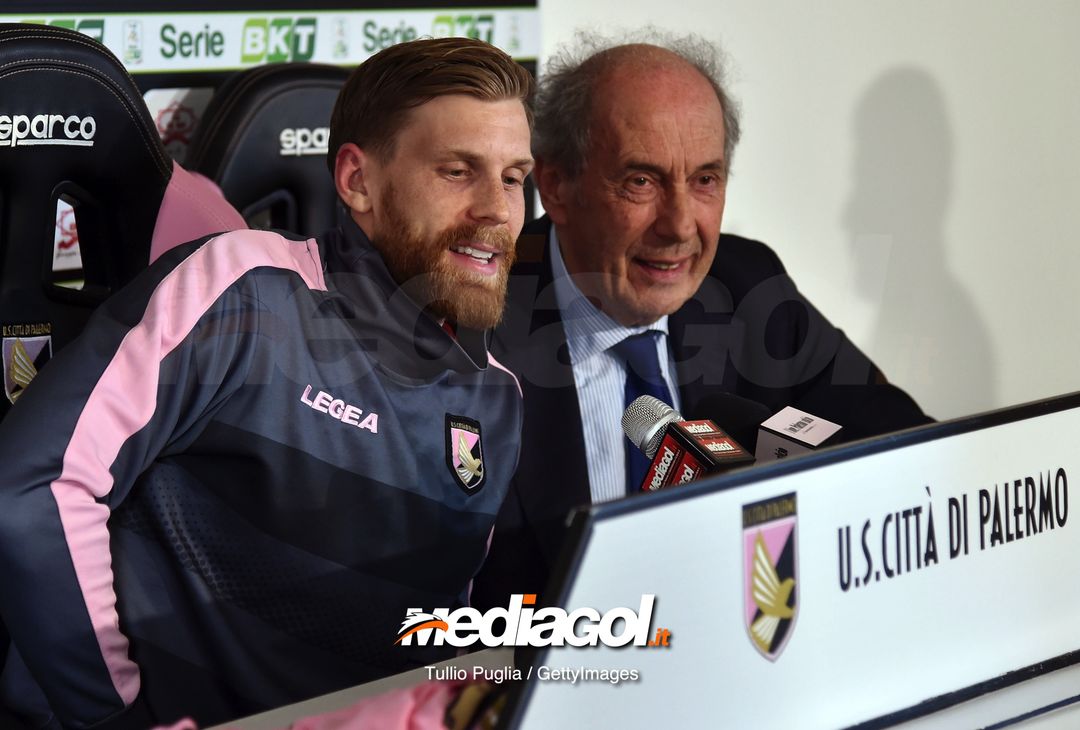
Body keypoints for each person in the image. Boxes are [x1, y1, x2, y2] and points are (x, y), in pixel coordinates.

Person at [0, 37, 533, 730]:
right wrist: (112, 717)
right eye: (458, 171)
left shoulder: (498, 398)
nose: (497, 209)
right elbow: (34, 486)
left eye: (514, 178)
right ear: (357, 181)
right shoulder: (243, 288)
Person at [472, 31, 931, 610]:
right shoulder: (475, 314)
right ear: (557, 186)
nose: (680, 226)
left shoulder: (747, 287)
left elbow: (911, 453)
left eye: (705, 180)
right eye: (642, 181)